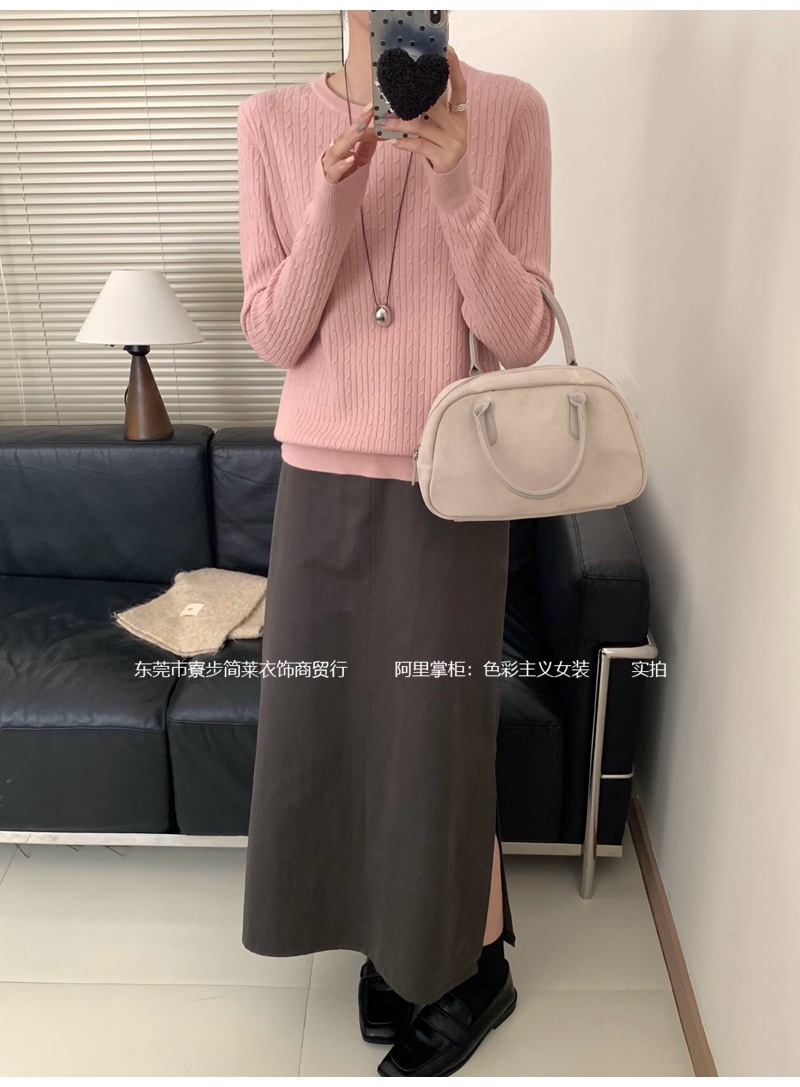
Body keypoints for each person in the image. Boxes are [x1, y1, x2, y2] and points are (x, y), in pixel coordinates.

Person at [236, 9, 555, 1076]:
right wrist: (332, 199)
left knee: (436, 731)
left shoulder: (510, 112)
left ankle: (473, 962)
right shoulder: (269, 120)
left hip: (450, 479)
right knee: (332, 723)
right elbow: (276, 333)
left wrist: (457, 186)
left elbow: (519, 337)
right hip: (320, 479)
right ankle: (394, 937)